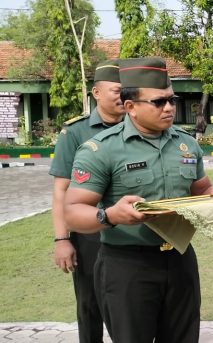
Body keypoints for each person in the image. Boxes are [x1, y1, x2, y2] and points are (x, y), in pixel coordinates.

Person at [63, 57, 213, 342]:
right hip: (127, 267)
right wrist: (110, 216)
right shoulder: (101, 149)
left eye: (172, 100)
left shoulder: (186, 144)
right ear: (131, 107)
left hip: (180, 260)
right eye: (158, 102)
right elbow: (73, 212)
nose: (170, 108)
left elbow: (202, 190)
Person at [48, 58, 122, 343]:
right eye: (116, 90)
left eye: (127, 91)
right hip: (90, 234)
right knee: (90, 305)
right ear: (97, 93)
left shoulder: (138, 125)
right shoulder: (76, 132)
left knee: (127, 305)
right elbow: (60, 191)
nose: (123, 96)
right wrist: (61, 239)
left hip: (129, 229)